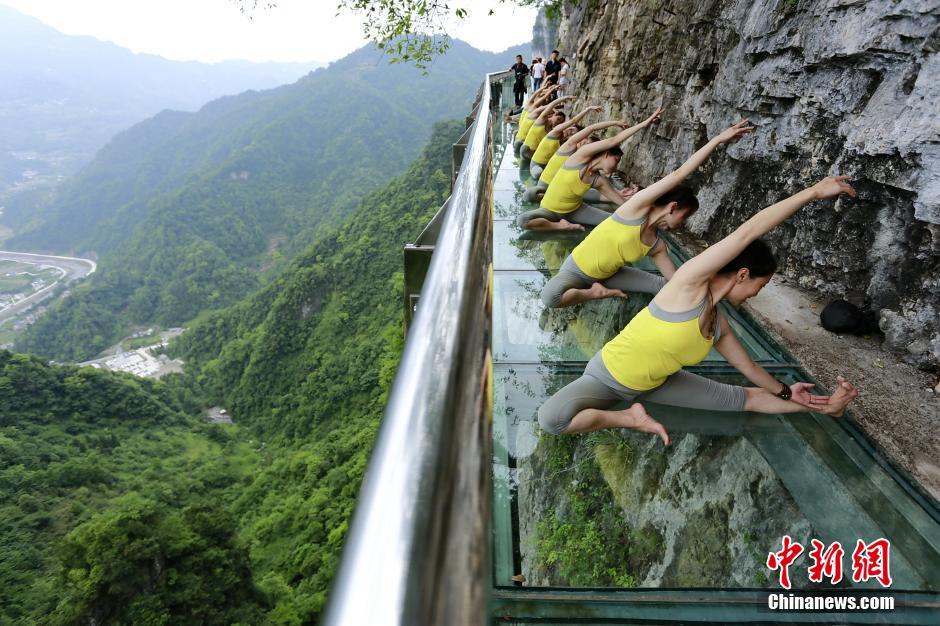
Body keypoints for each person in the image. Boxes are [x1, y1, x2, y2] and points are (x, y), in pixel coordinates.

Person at [537, 172, 860, 444]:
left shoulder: (719, 326)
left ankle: (828, 409)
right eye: (758, 286)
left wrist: (789, 393)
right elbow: (747, 232)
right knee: (553, 419)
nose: (755, 294)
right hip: (608, 378)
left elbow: (751, 373)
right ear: (742, 275)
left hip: (659, 384)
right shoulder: (686, 286)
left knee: (745, 399)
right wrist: (812, 192)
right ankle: (631, 417)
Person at [540, 120, 755, 309]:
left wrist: (723, 284)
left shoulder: (656, 245)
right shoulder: (635, 209)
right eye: (685, 216)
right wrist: (717, 140)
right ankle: (596, 292)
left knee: (666, 287)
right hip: (577, 270)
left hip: (611, 275)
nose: (683, 223)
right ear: (672, 207)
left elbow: (677, 282)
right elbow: (679, 174)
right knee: (551, 297)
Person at [516, 107, 664, 231]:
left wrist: (652, 210)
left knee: (615, 221)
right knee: (523, 220)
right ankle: (562, 226)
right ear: (606, 154)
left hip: (576, 211)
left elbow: (622, 204)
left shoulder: (599, 181)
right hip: (550, 210)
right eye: (616, 160)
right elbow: (608, 137)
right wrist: (643, 124)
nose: (616, 166)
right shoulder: (578, 158)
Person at [522, 119, 625, 204]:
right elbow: (591, 128)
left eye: (588, 145)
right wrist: (615, 122)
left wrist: (616, 190)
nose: (584, 144)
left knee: (587, 190)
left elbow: (601, 182)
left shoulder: (586, 162)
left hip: (563, 192)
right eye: (584, 141)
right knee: (530, 193)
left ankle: (621, 197)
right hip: (545, 184)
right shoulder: (568, 148)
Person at [529, 105, 602, 180]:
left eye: (572, 134)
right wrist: (588, 109)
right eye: (571, 130)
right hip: (536, 166)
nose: (569, 132)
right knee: (537, 173)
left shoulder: (568, 146)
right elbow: (573, 121)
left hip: (547, 169)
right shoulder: (555, 132)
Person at [520, 95, 575, 166]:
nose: (557, 122)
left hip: (533, 158)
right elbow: (552, 104)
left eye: (559, 122)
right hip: (525, 150)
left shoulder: (552, 131)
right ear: (554, 114)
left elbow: (567, 124)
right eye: (558, 119)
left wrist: (567, 117)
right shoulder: (541, 120)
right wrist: (565, 98)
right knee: (524, 149)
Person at [513, 84, 557, 155]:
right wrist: (550, 89)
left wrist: (548, 88)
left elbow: (539, 95)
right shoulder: (533, 108)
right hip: (522, 135)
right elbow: (541, 97)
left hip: (522, 130)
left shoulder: (532, 107)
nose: (545, 100)